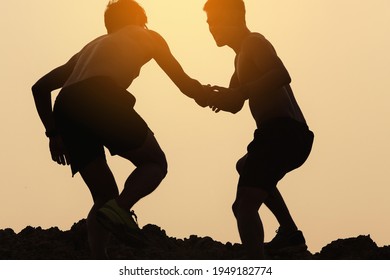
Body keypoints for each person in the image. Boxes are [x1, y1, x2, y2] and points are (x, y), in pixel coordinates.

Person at [32, 0, 208, 259]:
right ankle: (122, 209)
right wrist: (217, 97)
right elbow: (186, 85)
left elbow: (40, 88)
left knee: (104, 197)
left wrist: (53, 133)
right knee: (155, 163)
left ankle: (100, 260)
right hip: (101, 95)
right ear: (140, 20)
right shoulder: (147, 35)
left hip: (66, 106)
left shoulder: (90, 48)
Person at [203, 0, 314, 259]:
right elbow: (234, 103)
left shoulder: (254, 42)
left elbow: (280, 74)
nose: (210, 29)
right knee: (244, 168)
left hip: (282, 133)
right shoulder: (239, 57)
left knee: (244, 207)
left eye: (214, 21)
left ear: (232, 18)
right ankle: (289, 233)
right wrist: (209, 94)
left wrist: (240, 91)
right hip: (284, 136)